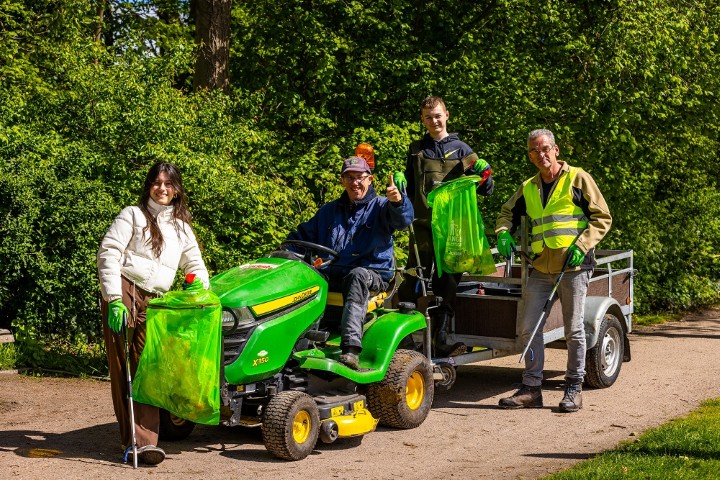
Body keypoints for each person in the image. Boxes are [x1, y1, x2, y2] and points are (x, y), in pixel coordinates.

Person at [97, 162, 209, 464]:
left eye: (168, 184)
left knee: (148, 368)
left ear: (176, 190)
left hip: (156, 301)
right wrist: (114, 298)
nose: (162, 188)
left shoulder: (182, 228)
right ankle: (133, 443)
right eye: (157, 182)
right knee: (122, 366)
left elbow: (195, 265)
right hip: (124, 289)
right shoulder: (132, 215)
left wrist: (198, 286)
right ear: (149, 186)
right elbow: (109, 252)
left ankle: (146, 444)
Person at [495, 128, 612, 412]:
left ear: (556, 150)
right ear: (529, 156)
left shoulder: (578, 178)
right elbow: (506, 213)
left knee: (574, 330)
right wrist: (503, 232)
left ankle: (573, 386)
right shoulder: (528, 187)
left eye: (545, 148)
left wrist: (582, 245)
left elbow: (602, 217)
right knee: (528, 328)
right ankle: (531, 388)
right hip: (540, 267)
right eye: (534, 150)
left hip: (573, 267)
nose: (541, 154)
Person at [287, 156, 414, 369]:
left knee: (357, 275)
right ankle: (296, 342)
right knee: (304, 274)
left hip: (373, 274)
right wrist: (284, 252)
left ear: (370, 179)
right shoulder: (329, 211)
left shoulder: (382, 206)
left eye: (360, 177)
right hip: (335, 272)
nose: (355, 182)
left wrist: (398, 202)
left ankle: (351, 348)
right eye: (350, 177)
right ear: (342, 181)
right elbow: (302, 237)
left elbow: (403, 220)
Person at [399, 95, 494, 357]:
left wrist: (485, 173)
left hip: (453, 230)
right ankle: (404, 339)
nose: (434, 121)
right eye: (428, 117)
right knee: (414, 277)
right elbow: (407, 187)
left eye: (438, 116)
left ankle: (440, 339)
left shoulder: (462, 150)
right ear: (423, 120)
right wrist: (398, 182)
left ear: (446, 115)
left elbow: (486, 189)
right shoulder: (416, 150)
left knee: (448, 281)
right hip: (422, 225)